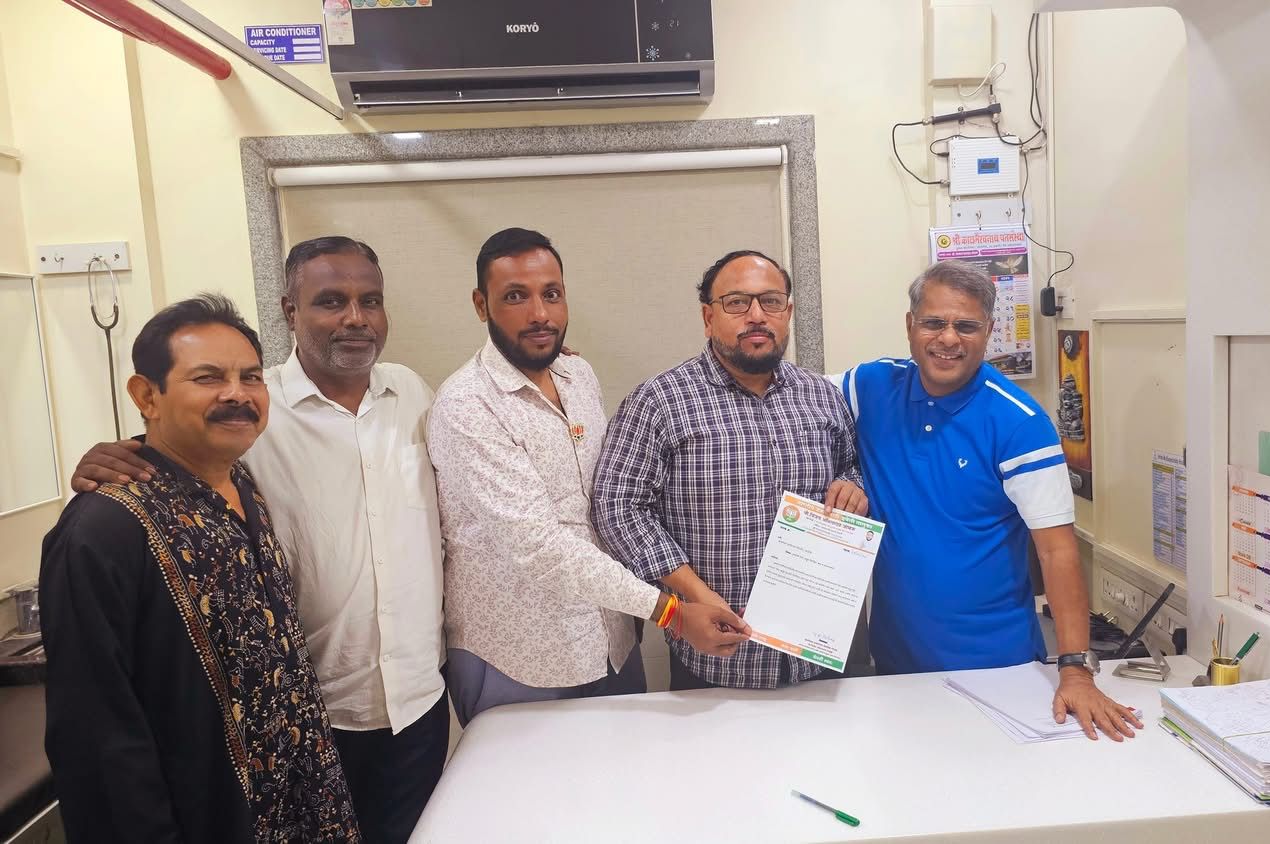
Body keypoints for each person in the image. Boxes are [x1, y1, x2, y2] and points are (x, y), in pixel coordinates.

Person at [69, 238, 447, 843]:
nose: (356, 318)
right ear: (290, 311)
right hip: (307, 722)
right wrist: (115, 454)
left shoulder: (415, 395)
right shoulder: (254, 413)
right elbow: (177, 450)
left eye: (370, 301)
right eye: (331, 301)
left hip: (418, 705)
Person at [41, 294, 361, 842]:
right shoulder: (104, 530)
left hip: (299, 805)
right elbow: (95, 734)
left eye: (251, 377)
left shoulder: (243, 486)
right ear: (147, 396)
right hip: (205, 817)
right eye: (208, 377)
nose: (237, 394)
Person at [427, 227, 750, 723]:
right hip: (521, 657)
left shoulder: (578, 375)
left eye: (551, 294)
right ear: (480, 304)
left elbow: (608, 499)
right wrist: (669, 611)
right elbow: (539, 545)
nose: (540, 314)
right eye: (515, 296)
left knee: (626, 769)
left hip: (612, 643)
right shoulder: (467, 405)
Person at [832, 260, 1143, 741]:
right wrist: (844, 475)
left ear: (990, 331)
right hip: (894, 668)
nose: (948, 339)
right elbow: (791, 405)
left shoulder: (1020, 423)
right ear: (910, 325)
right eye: (934, 322)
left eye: (966, 326)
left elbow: (1057, 551)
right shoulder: (869, 387)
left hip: (1000, 673)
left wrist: (1076, 669)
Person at [592, 250, 866, 691]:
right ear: (708, 317)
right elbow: (617, 507)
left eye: (770, 301)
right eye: (737, 302)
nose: (756, 316)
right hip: (717, 661)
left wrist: (853, 485)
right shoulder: (659, 401)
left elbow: (853, 465)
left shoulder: (821, 395)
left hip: (819, 657)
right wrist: (694, 593)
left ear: (788, 312)